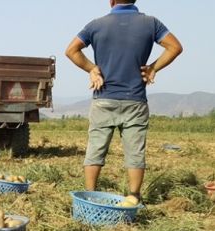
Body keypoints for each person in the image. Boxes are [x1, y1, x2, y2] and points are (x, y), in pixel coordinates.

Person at [65, 0, 182, 201]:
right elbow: (175, 47)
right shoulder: (151, 23)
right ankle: (134, 196)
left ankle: (90, 196)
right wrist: (153, 67)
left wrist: (92, 68)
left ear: (111, 1)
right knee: (135, 153)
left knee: (95, 149)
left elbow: (71, 50)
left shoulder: (96, 24)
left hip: (104, 97)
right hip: (135, 100)